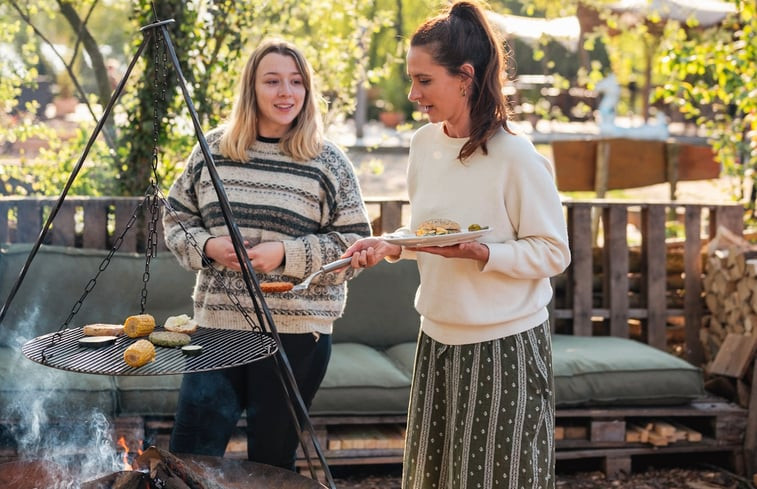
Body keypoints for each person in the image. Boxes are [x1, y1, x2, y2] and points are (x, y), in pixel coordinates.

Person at [343, 2, 571, 487]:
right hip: (436, 338)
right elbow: (428, 228)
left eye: (424, 81)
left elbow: (553, 251)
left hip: (502, 346)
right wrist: (391, 245)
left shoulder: (516, 156)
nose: (412, 93)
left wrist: (484, 253)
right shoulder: (424, 144)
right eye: (412, 79)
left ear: (465, 76)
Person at [162, 38, 372, 470]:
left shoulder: (328, 163)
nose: (286, 92)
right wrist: (208, 246)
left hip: (297, 335)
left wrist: (286, 255)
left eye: (296, 82)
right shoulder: (213, 150)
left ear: (308, 90)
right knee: (190, 457)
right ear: (251, 89)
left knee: (272, 463)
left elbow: (352, 248)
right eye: (272, 81)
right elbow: (175, 219)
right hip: (218, 328)